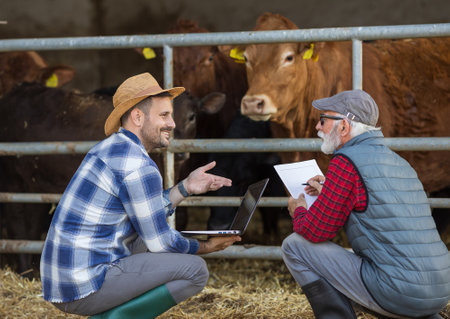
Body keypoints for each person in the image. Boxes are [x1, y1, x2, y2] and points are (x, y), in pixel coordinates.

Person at [40, 72, 241, 317]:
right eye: (164, 115)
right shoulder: (137, 164)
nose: (173, 123)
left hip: (65, 280)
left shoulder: (113, 147)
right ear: (138, 116)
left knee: (147, 236)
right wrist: (207, 246)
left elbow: (147, 213)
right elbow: (161, 243)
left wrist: (186, 186)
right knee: (196, 270)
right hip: (83, 285)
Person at [281, 89, 450, 319]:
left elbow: (316, 230)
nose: (318, 127)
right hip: (439, 289)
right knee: (400, 274)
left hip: (399, 291)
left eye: (323, 120)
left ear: (344, 126)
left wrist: (299, 210)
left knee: (294, 245)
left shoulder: (345, 161)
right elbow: (376, 205)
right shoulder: (399, 162)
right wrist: (330, 190)